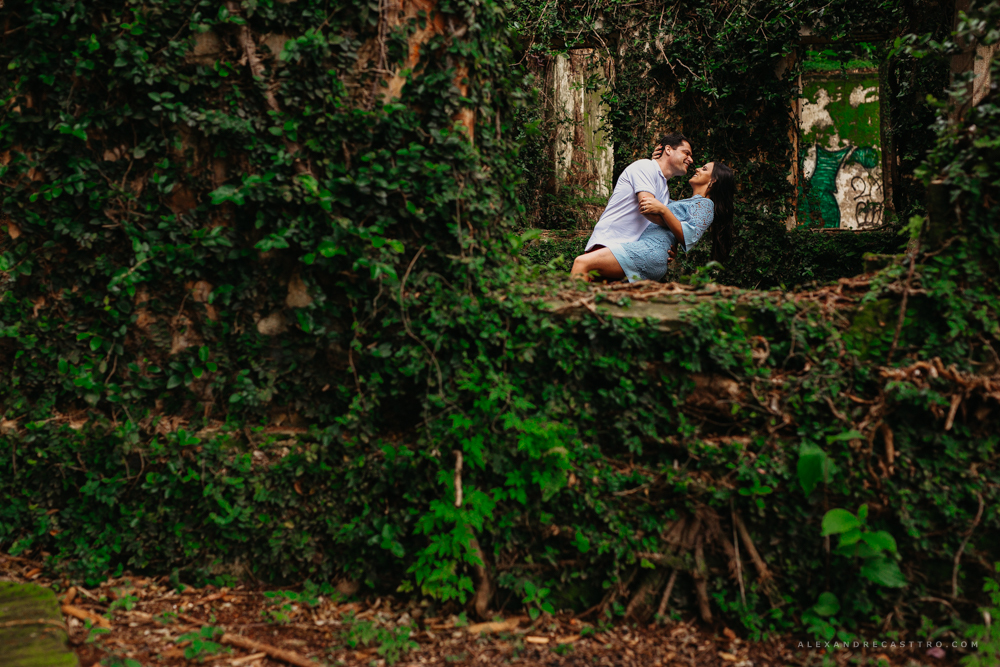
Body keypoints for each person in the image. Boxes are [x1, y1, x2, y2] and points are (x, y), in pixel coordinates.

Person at [571, 160, 735, 282]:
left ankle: (565, 320)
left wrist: (663, 210)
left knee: (582, 263)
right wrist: (656, 163)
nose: (698, 168)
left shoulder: (706, 205)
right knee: (601, 287)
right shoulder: (682, 203)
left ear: (713, 181)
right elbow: (655, 196)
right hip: (647, 250)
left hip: (648, 251)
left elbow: (689, 236)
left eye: (705, 168)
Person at [579, 134, 694, 258]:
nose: (690, 160)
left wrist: (664, 247)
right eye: (686, 153)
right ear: (668, 150)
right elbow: (647, 210)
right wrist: (677, 228)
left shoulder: (665, 191)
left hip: (630, 254)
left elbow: (654, 224)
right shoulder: (646, 167)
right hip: (608, 245)